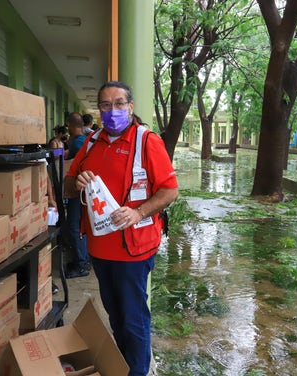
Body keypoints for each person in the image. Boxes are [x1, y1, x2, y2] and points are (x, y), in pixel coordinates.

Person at [65, 81, 178, 376]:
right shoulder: (91, 143)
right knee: (115, 315)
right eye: (105, 104)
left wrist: (137, 211)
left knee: (133, 319)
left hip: (134, 249)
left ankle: (137, 371)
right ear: (99, 110)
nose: (112, 110)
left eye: (118, 103)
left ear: (130, 107)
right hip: (100, 249)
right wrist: (75, 184)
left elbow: (169, 191)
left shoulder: (146, 141)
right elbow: (67, 186)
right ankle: (124, 367)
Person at [64, 112, 90, 278]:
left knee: (76, 226)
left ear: (71, 126)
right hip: (77, 190)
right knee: (74, 225)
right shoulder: (82, 141)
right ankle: (80, 260)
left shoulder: (80, 142)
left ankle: (81, 264)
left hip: (78, 191)